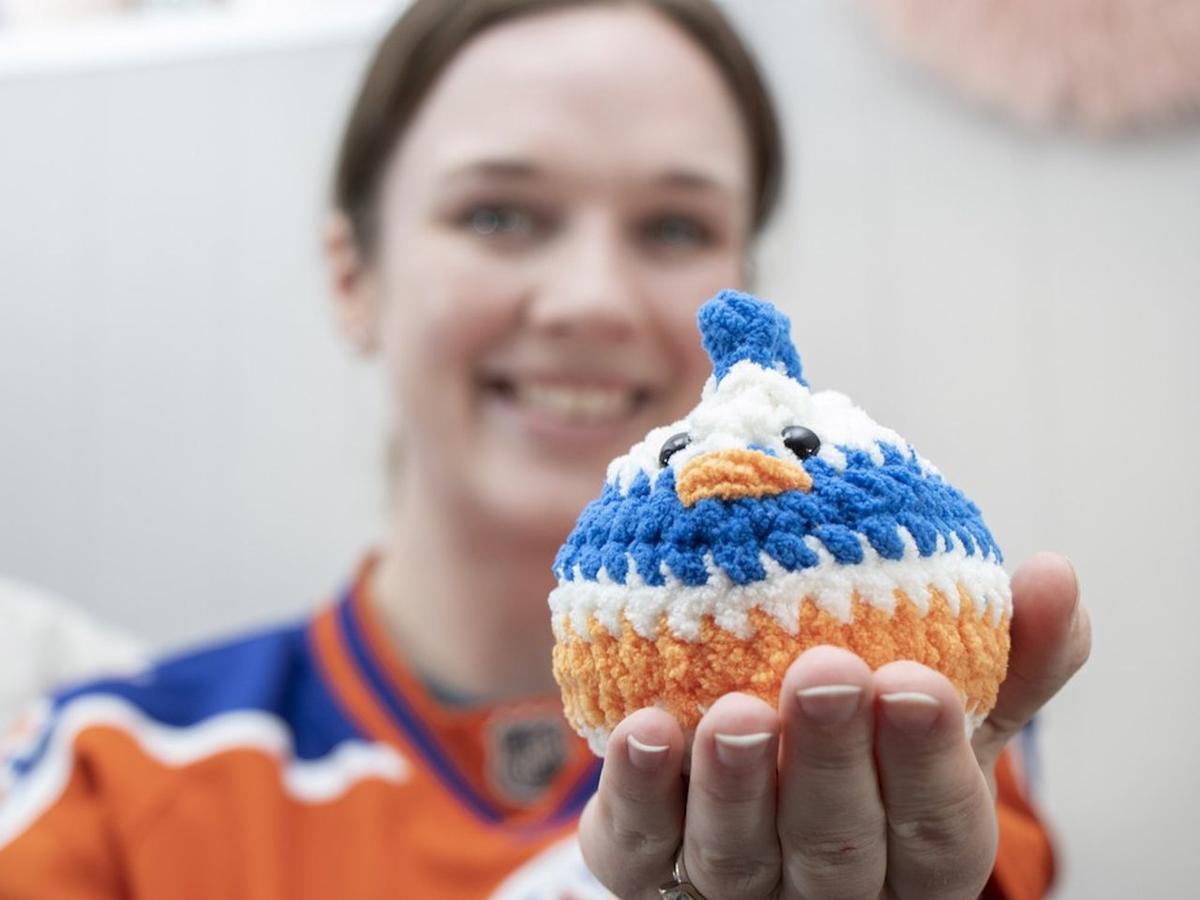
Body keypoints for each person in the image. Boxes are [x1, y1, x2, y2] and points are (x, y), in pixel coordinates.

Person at [0, 1, 1091, 898]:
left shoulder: (897, 755)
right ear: (353, 276)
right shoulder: (115, 775)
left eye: (674, 229)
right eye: (499, 215)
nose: (592, 300)